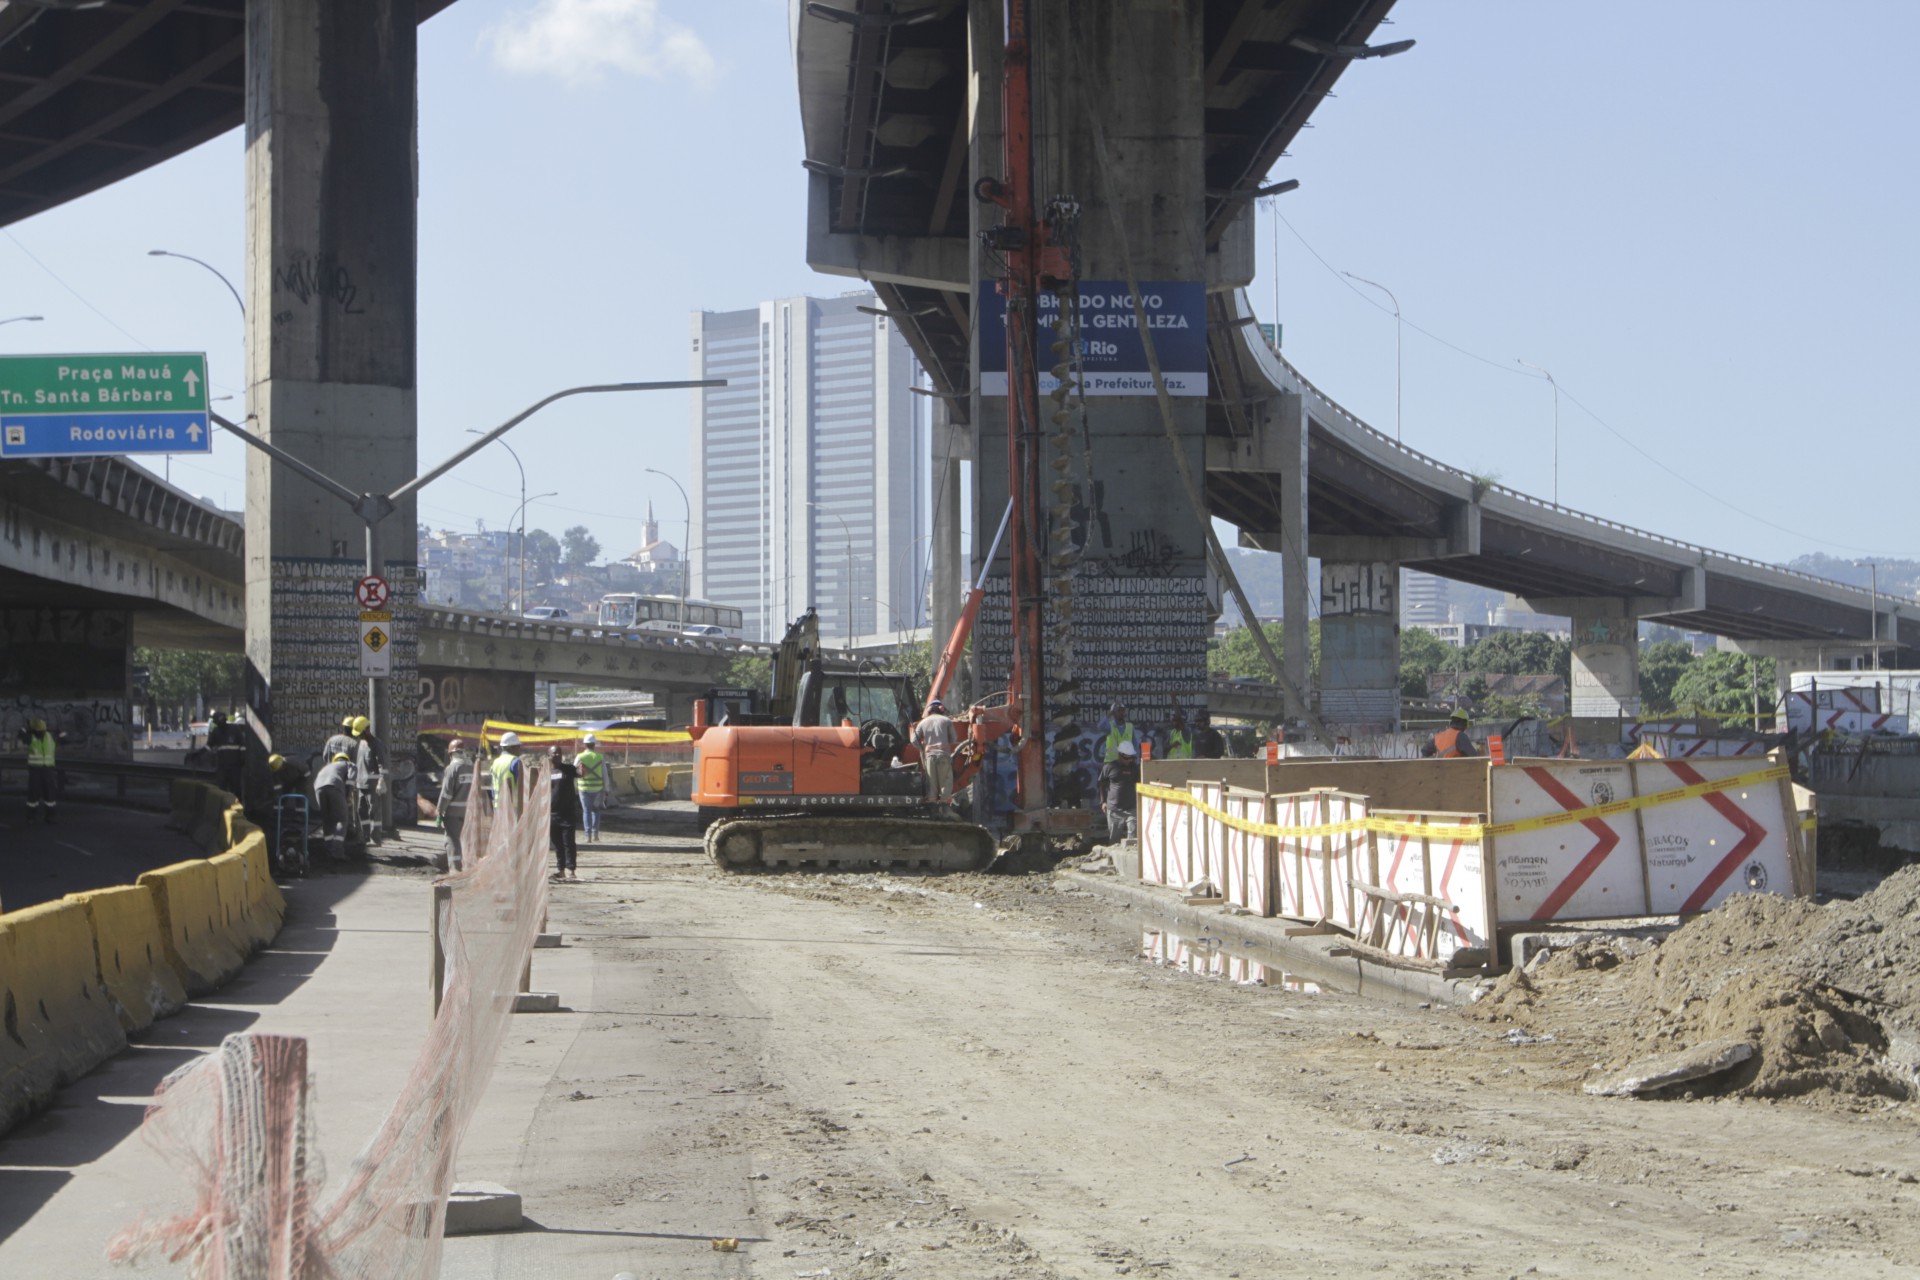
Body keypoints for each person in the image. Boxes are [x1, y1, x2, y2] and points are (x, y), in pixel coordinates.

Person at [912, 699, 958, 804]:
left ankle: (932, 807)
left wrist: (923, 748)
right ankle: (944, 808)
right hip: (943, 756)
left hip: (929, 757)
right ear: (941, 709)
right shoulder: (947, 721)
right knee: (945, 783)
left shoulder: (923, 723)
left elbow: (914, 740)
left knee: (931, 785)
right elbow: (954, 738)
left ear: (929, 710)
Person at [437, 739, 474, 871]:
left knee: (452, 840)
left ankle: (455, 869)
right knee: (464, 840)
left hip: (453, 812)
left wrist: (440, 810)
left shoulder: (452, 768)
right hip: (468, 811)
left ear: (451, 754)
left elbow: (446, 794)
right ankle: (465, 867)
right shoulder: (471, 767)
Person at [548, 745, 583, 882]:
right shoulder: (546, 772)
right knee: (557, 845)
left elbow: (580, 773)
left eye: (559, 753)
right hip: (552, 815)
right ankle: (561, 870)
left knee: (569, 843)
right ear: (549, 755)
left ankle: (571, 870)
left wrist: (582, 770)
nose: (556, 755)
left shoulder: (568, 769)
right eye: (554, 753)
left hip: (567, 814)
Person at [312, 751, 355, 862]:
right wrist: (348, 795)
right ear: (346, 759)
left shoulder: (327, 767)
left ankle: (328, 849)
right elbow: (351, 780)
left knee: (327, 820)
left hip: (318, 788)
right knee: (342, 820)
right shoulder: (349, 764)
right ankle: (337, 852)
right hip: (334, 786)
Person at [1097, 739, 1141, 843]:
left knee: (1134, 839)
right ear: (1120, 755)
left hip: (1131, 809)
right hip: (1114, 809)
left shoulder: (1134, 768)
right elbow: (1102, 784)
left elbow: (1140, 784)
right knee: (1114, 839)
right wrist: (1103, 802)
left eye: (1131, 757)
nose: (1129, 760)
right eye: (1126, 757)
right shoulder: (1109, 767)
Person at [19, 717, 57, 824]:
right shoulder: (48, 736)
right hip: (41, 770)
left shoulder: (32, 736)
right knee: (40, 794)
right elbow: (20, 733)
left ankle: (34, 817)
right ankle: (47, 816)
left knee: (43, 794)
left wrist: (27, 728)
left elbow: (21, 733)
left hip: (42, 770)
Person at [574, 733, 608, 842]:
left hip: (583, 788)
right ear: (594, 744)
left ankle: (587, 836)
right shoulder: (599, 757)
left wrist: (575, 787)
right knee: (596, 811)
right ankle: (595, 835)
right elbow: (605, 774)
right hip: (597, 789)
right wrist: (606, 788)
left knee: (586, 811)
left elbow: (574, 772)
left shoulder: (580, 756)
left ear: (585, 744)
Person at [208, 710, 246, 798]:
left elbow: (242, 744)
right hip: (223, 765)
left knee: (235, 787)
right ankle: (225, 804)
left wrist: (242, 756)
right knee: (222, 787)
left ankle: (237, 803)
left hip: (234, 765)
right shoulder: (216, 731)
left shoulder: (235, 729)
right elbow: (210, 746)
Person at [490, 731, 525, 817]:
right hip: (512, 807)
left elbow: (493, 785)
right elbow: (522, 785)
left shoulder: (495, 762)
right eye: (518, 746)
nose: (519, 749)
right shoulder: (515, 762)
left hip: (497, 805)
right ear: (512, 747)